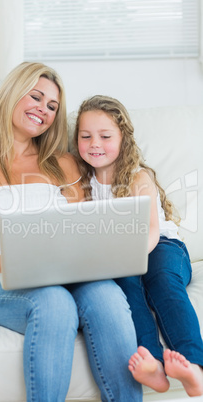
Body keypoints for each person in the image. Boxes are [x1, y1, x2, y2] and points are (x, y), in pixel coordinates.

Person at [0, 62, 142, 402]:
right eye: (36, 97)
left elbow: (84, 232)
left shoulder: (62, 163)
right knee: (54, 302)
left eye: (52, 106)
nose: (43, 110)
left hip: (62, 276)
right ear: (11, 94)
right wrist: (22, 262)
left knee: (106, 294)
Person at [73, 94, 203, 397]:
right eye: (86, 136)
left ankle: (195, 366)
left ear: (123, 139)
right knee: (127, 286)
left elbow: (150, 233)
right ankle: (154, 366)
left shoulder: (136, 176)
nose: (95, 143)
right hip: (120, 254)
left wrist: (125, 257)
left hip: (162, 246)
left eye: (105, 136)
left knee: (161, 282)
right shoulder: (81, 181)